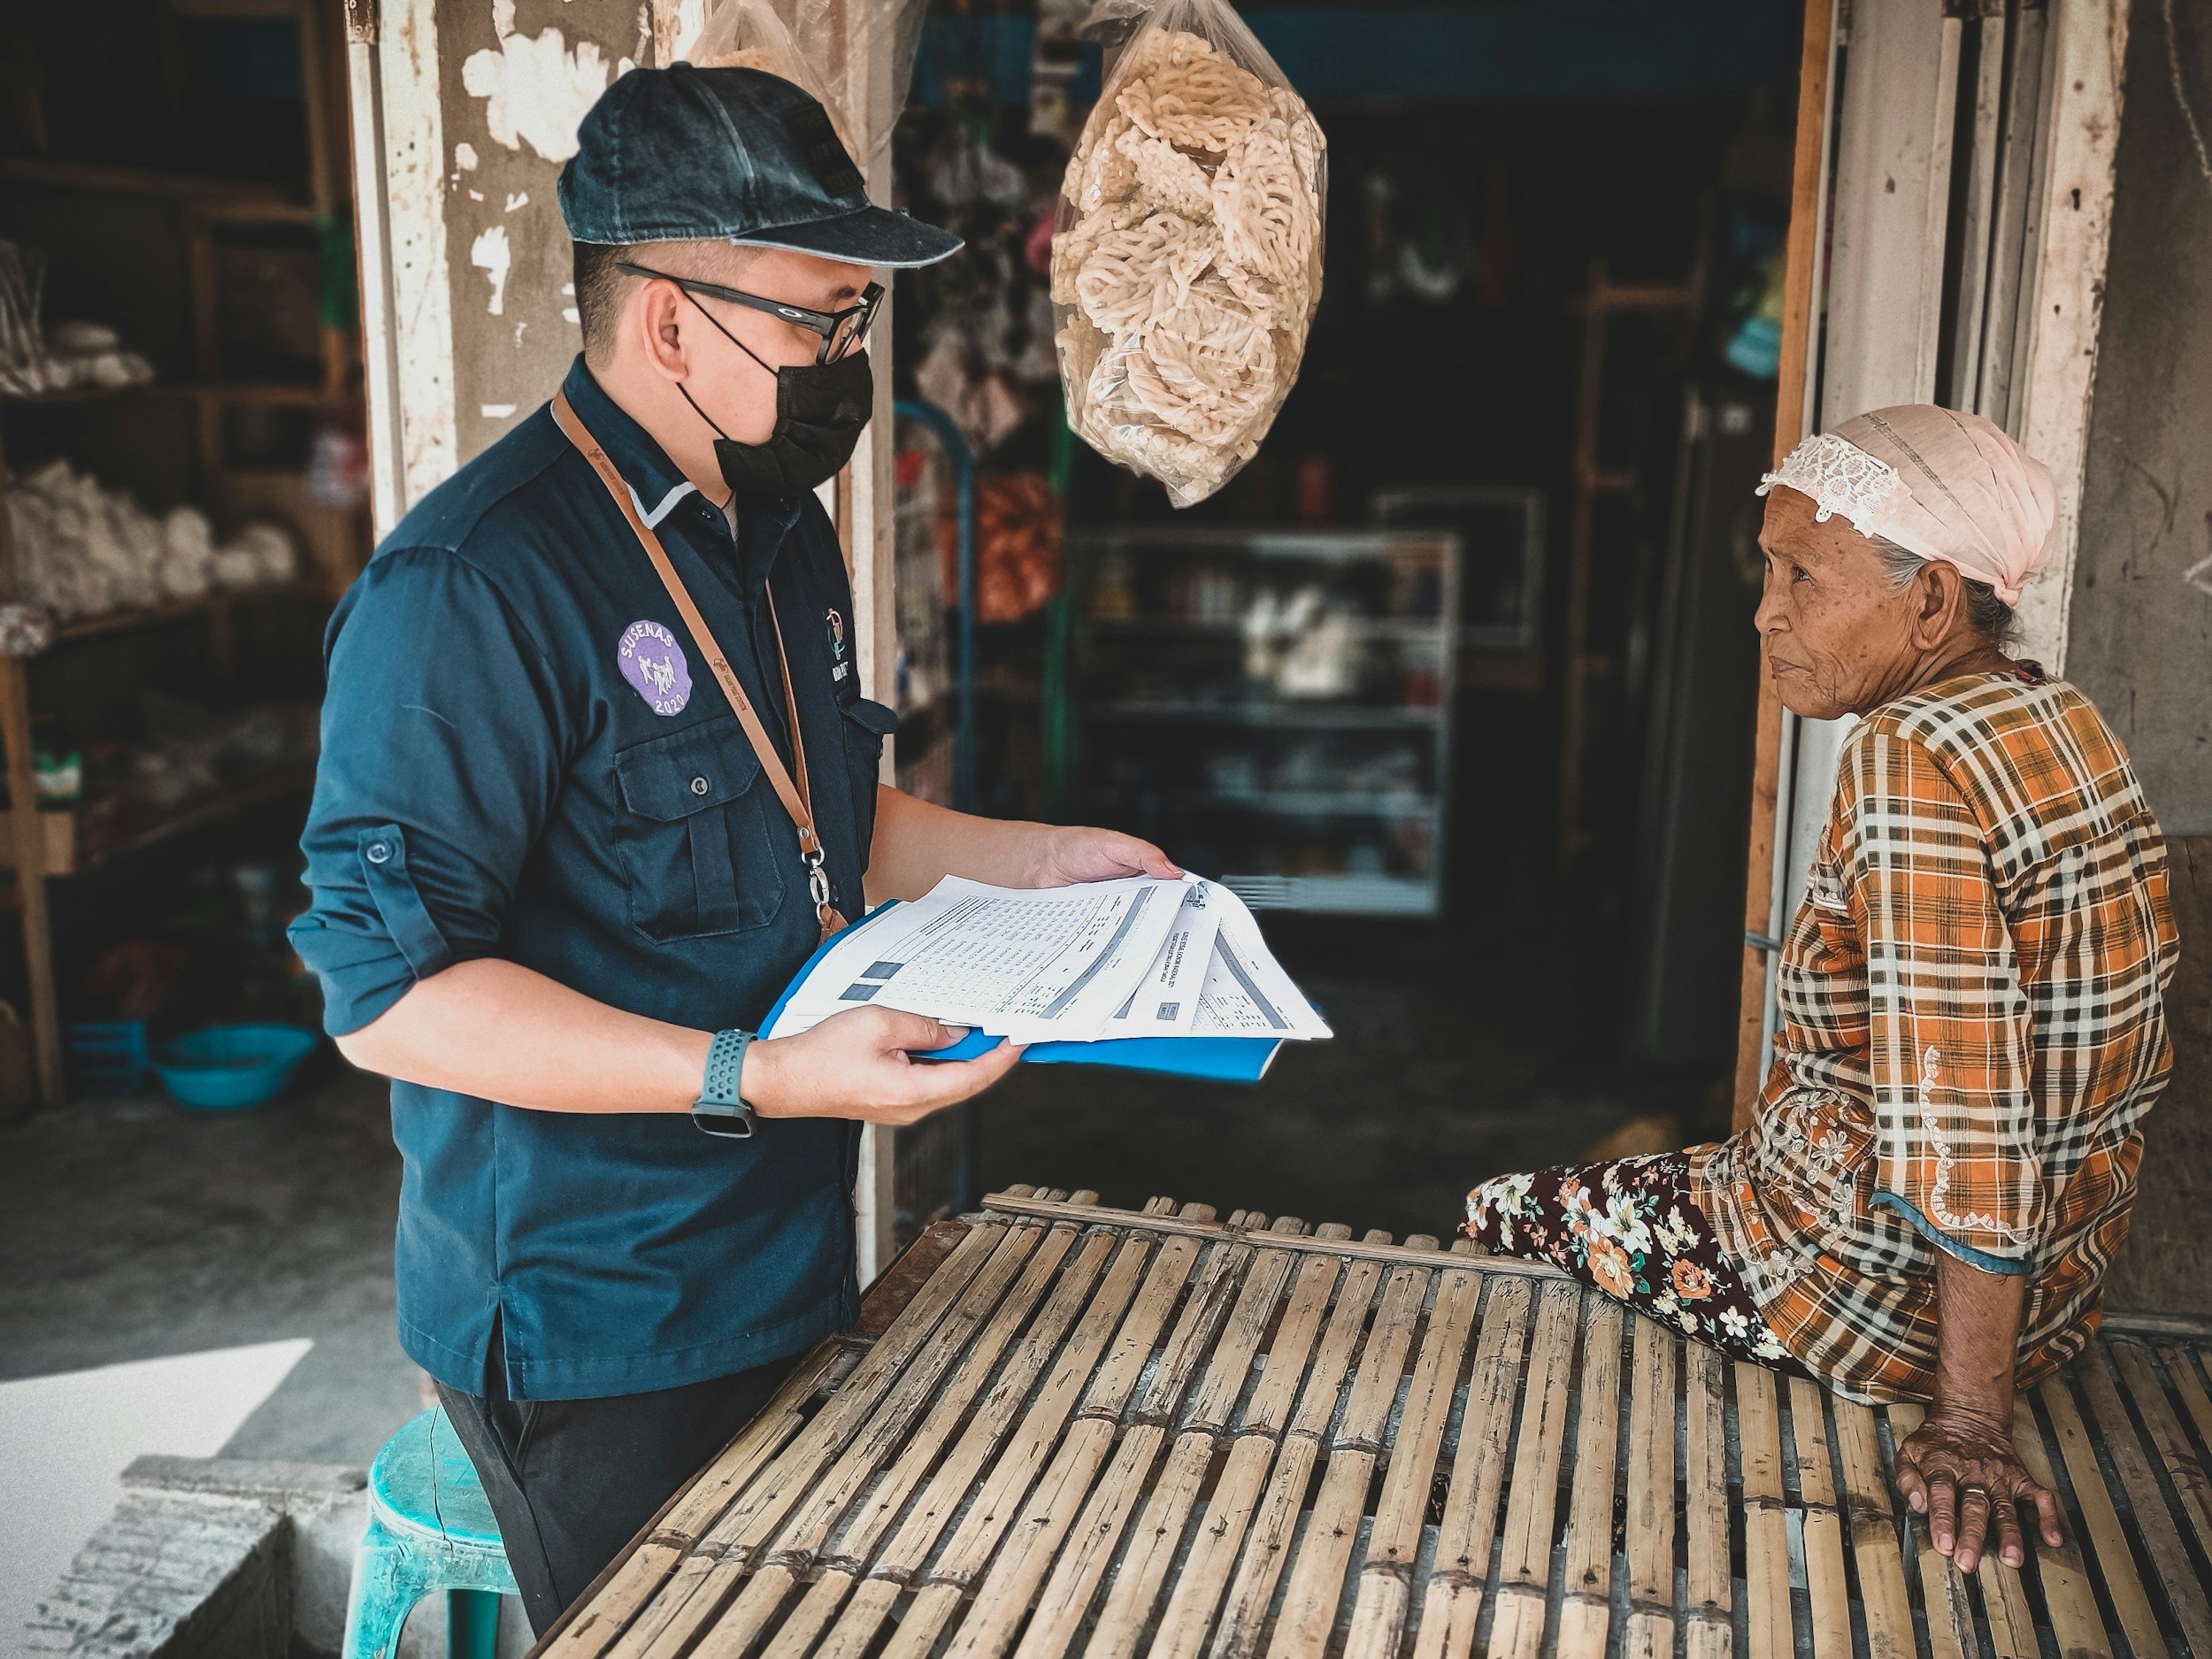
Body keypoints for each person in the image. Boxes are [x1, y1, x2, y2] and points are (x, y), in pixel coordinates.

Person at [288, 64, 1176, 1634]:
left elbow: (817, 817)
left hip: (774, 1254)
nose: (852, 360)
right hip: (590, 1317)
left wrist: (1037, 860)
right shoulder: (471, 588)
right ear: (672, 320)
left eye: (859, 321)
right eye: (820, 321)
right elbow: (391, 999)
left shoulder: (782, 536)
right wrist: (756, 1077)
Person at [1463, 406, 2177, 1578]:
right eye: (1768, 569)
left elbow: (1966, 1129)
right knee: (1670, 1164)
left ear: (1933, 602)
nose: (1765, 611)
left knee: (1505, 1212)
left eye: (1802, 574)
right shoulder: (2058, 712)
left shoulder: (1913, 760)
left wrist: (1969, 1426)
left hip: (1861, 1297)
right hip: (2060, 1303)